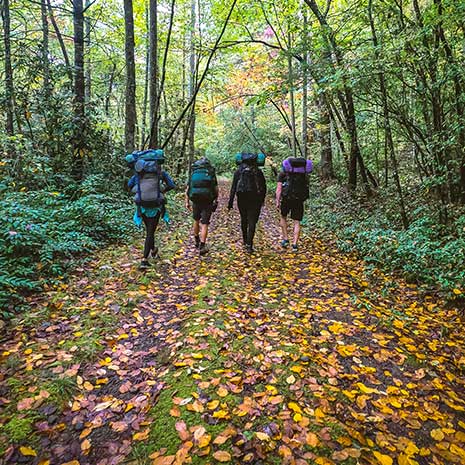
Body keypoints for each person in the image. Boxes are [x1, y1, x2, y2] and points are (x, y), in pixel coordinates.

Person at [127, 150, 176, 269]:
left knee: (149, 230)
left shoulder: (138, 175)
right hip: (156, 205)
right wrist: (162, 190)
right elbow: (172, 185)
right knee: (150, 231)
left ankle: (153, 249)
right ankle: (144, 260)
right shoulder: (161, 173)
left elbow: (129, 185)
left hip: (142, 206)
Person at [228, 153, 267, 253]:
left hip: (242, 198)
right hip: (255, 199)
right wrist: (262, 200)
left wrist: (230, 202)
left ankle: (245, 241)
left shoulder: (238, 172)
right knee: (252, 220)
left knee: (244, 219)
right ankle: (249, 244)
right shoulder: (258, 172)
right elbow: (263, 187)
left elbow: (233, 188)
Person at [276, 157, 313, 252]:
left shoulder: (283, 173)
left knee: (283, 217)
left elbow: (279, 189)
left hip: (286, 198)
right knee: (297, 221)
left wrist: (277, 201)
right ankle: (295, 244)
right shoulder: (303, 174)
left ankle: (285, 239)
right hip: (299, 200)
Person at [185, 157, 219, 256]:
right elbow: (216, 188)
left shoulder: (194, 171)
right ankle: (203, 246)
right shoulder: (210, 171)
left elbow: (188, 188)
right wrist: (216, 199)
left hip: (195, 199)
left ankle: (196, 240)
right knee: (205, 223)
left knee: (196, 220)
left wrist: (187, 202)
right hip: (208, 200)